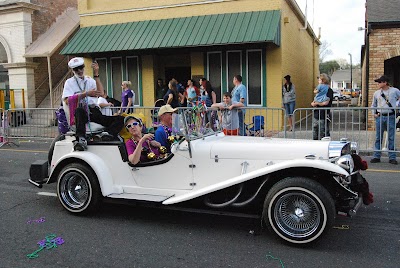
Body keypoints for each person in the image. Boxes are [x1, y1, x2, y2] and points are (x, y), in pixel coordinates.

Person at [62, 57, 124, 151]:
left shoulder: (89, 80)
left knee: (121, 118)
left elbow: (101, 93)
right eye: (76, 69)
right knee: (79, 111)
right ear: (73, 70)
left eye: (81, 67)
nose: (79, 70)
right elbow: (67, 100)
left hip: (94, 111)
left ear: (84, 67)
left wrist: (96, 74)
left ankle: (106, 134)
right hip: (81, 112)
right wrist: (85, 94)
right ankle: (81, 139)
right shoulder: (69, 82)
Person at [370, 75, 400, 165]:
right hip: (380, 116)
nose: (378, 84)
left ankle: (392, 157)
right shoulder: (376, 93)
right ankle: (376, 156)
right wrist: (374, 113)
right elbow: (373, 105)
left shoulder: (395, 91)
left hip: (390, 116)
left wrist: (397, 107)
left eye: (380, 82)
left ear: (385, 82)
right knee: (378, 137)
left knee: (391, 137)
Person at [310, 73, 333, 140]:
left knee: (323, 132)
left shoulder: (329, 91)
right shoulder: (319, 91)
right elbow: (315, 100)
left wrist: (317, 103)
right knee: (315, 130)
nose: (318, 81)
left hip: (324, 115)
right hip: (316, 114)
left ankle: (324, 146)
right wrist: (313, 103)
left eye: (319, 80)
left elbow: (325, 103)